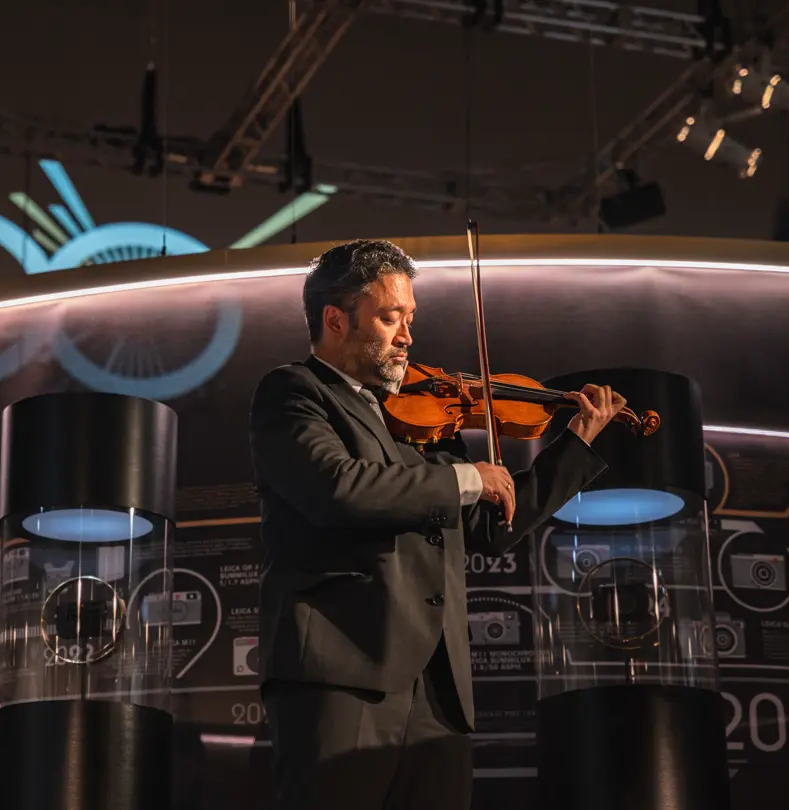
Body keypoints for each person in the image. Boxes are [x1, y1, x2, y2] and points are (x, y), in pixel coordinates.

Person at [248, 239, 626, 810]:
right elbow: (338, 489)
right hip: (343, 673)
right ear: (334, 320)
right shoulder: (295, 392)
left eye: (410, 318)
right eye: (389, 317)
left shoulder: (419, 418)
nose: (407, 336)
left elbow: (490, 526)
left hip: (437, 691)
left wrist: (574, 445)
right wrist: (466, 478)